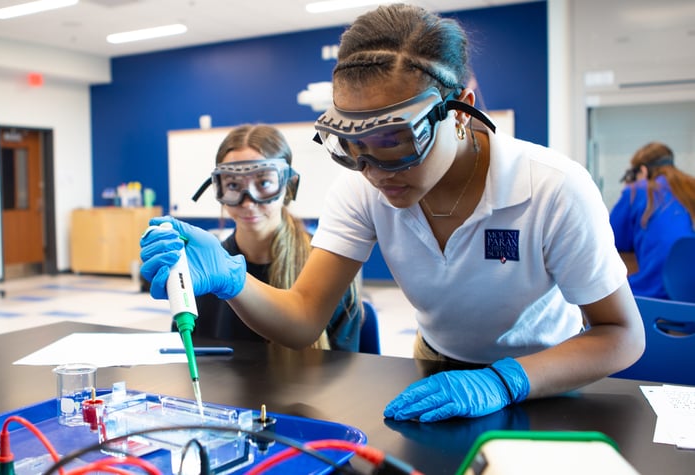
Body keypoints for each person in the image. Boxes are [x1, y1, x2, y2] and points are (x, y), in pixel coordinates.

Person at [140, 4, 644, 423]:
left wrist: (507, 379)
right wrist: (234, 281)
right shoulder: (360, 189)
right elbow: (302, 320)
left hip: (546, 377)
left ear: (461, 109)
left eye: (395, 141)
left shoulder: (551, 188)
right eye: (351, 145)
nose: (376, 171)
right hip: (433, 371)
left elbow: (621, 335)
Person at [189, 124, 363, 351]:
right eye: (233, 185)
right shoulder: (206, 270)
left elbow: (345, 371)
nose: (248, 202)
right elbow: (184, 356)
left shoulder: (326, 267)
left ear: (288, 186)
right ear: (218, 189)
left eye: (263, 183)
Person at [610, 142, 695, 298]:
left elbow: (609, 241)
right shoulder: (690, 188)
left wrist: (628, 190)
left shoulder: (637, 190)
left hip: (655, 293)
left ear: (642, 170)